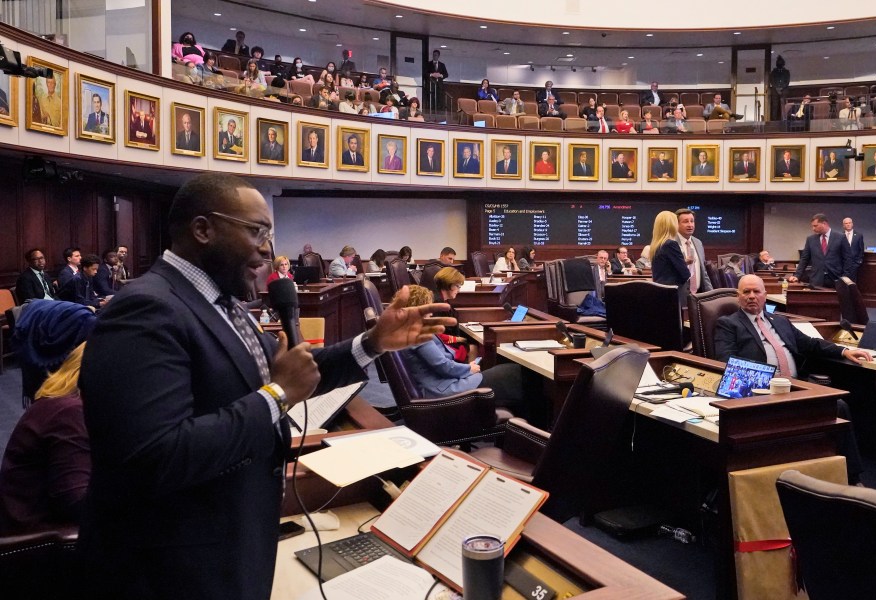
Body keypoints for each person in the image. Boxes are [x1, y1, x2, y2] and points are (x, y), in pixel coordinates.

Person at [76, 173, 454, 599]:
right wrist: (277, 396)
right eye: (256, 231)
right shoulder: (147, 308)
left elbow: (295, 373)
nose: (268, 249)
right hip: (169, 566)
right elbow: (155, 455)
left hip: (230, 542)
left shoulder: (222, 304)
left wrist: (373, 342)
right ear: (203, 229)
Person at [713, 274, 871, 484]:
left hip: (795, 386)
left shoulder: (780, 320)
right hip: (761, 392)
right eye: (746, 292)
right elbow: (726, 361)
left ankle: (852, 477)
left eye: (756, 291)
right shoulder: (728, 324)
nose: (752, 296)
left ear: (765, 295)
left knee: (839, 405)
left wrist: (843, 351)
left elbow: (811, 344)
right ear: (738, 296)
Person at [0, 337, 93, 535]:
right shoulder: (69, 412)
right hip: (39, 542)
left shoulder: (58, 403)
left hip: (30, 526)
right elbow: (76, 502)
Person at [400, 285, 525, 409]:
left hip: (444, 381)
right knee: (514, 372)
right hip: (444, 389)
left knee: (508, 371)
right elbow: (443, 366)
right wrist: (468, 369)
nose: (431, 313)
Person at [788, 213, 850, 288]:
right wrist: (797, 275)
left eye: (815, 226)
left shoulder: (840, 237)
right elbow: (804, 259)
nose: (813, 229)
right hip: (816, 280)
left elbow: (848, 259)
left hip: (835, 279)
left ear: (824, 223)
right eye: (812, 226)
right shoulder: (811, 239)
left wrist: (845, 277)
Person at [649, 211, 691, 295]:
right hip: (674, 293)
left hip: (661, 292)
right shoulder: (671, 244)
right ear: (672, 225)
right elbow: (685, 274)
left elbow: (665, 268)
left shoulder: (656, 246)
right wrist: (683, 263)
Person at [676, 208, 713, 295]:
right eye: (685, 221)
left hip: (699, 295)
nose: (690, 225)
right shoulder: (672, 243)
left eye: (692, 221)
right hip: (680, 295)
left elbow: (703, 272)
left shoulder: (698, 243)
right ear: (676, 224)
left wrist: (711, 294)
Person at [841, 217, 865, 282]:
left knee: (853, 283)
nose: (848, 224)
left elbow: (861, 249)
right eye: (846, 223)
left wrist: (858, 262)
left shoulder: (859, 235)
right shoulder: (840, 235)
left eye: (849, 223)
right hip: (843, 264)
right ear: (843, 225)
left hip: (854, 264)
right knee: (844, 283)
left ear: (852, 224)